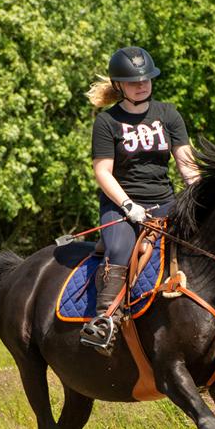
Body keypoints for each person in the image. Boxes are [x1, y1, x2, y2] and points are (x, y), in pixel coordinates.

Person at [80, 46, 199, 351]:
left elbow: (186, 164)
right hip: (121, 207)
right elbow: (103, 172)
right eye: (134, 81)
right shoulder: (107, 123)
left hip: (165, 201)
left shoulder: (168, 114)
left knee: (207, 239)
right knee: (119, 249)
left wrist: (199, 194)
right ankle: (105, 320)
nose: (142, 84)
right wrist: (128, 205)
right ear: (119, 85)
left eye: (146, 79)